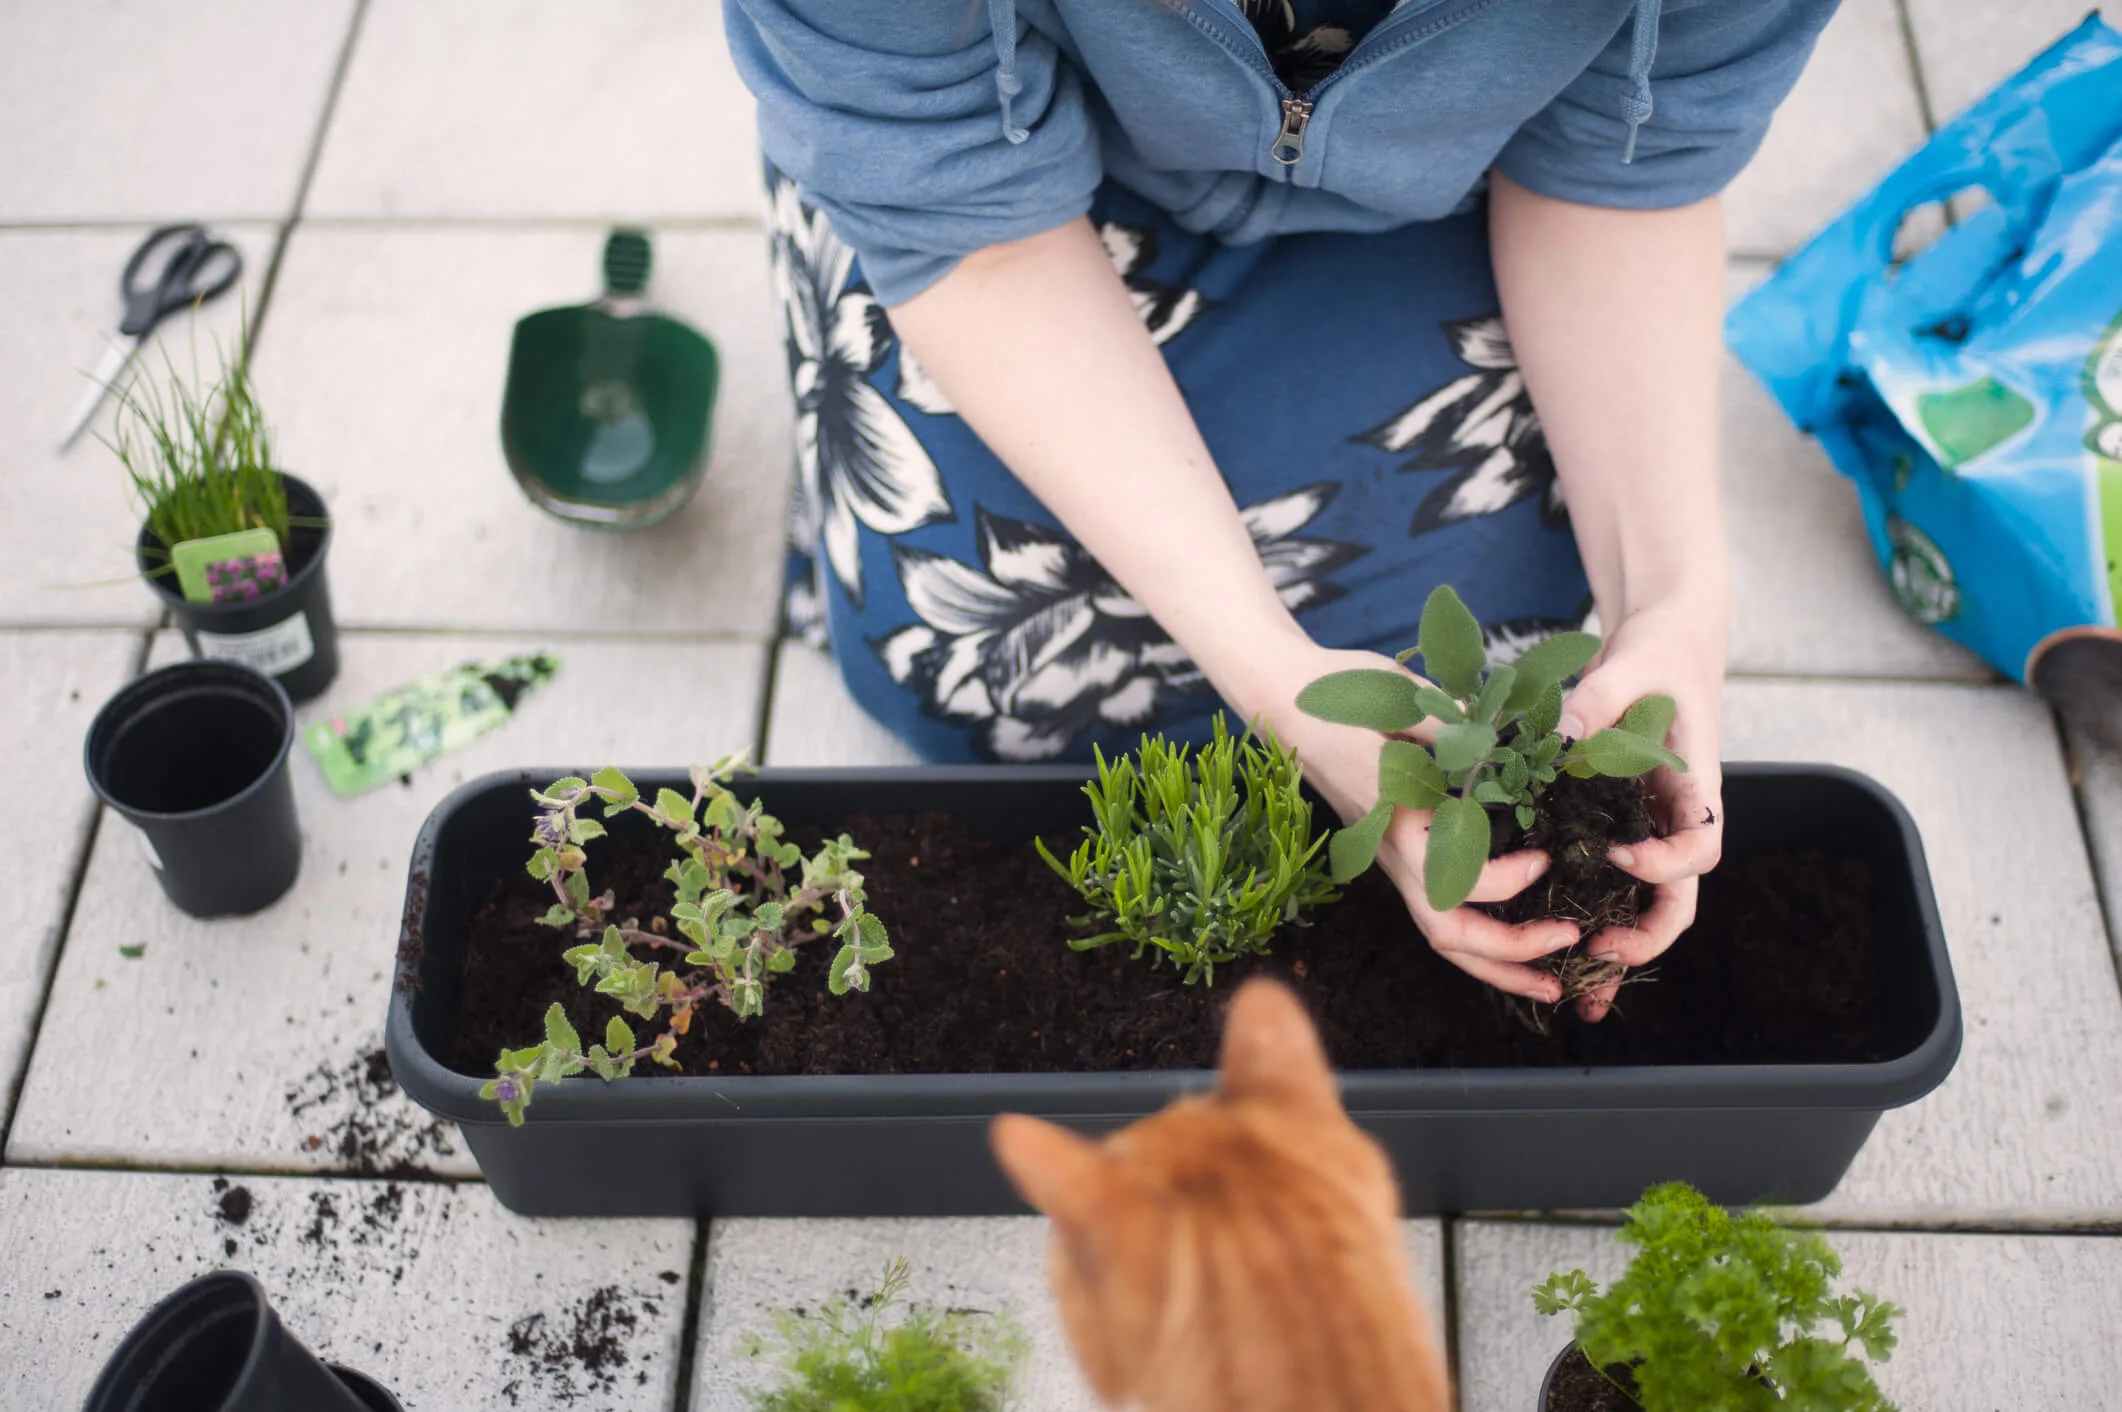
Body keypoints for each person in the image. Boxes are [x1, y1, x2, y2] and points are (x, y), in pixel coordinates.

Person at [726, 0, 1839, 1018]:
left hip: (1448, 199)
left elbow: (1620, 173)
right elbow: (969, 219)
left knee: (1510, 663)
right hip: (1019, 195)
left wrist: (1674, 602)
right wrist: (1267, 669)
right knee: (986, 667)